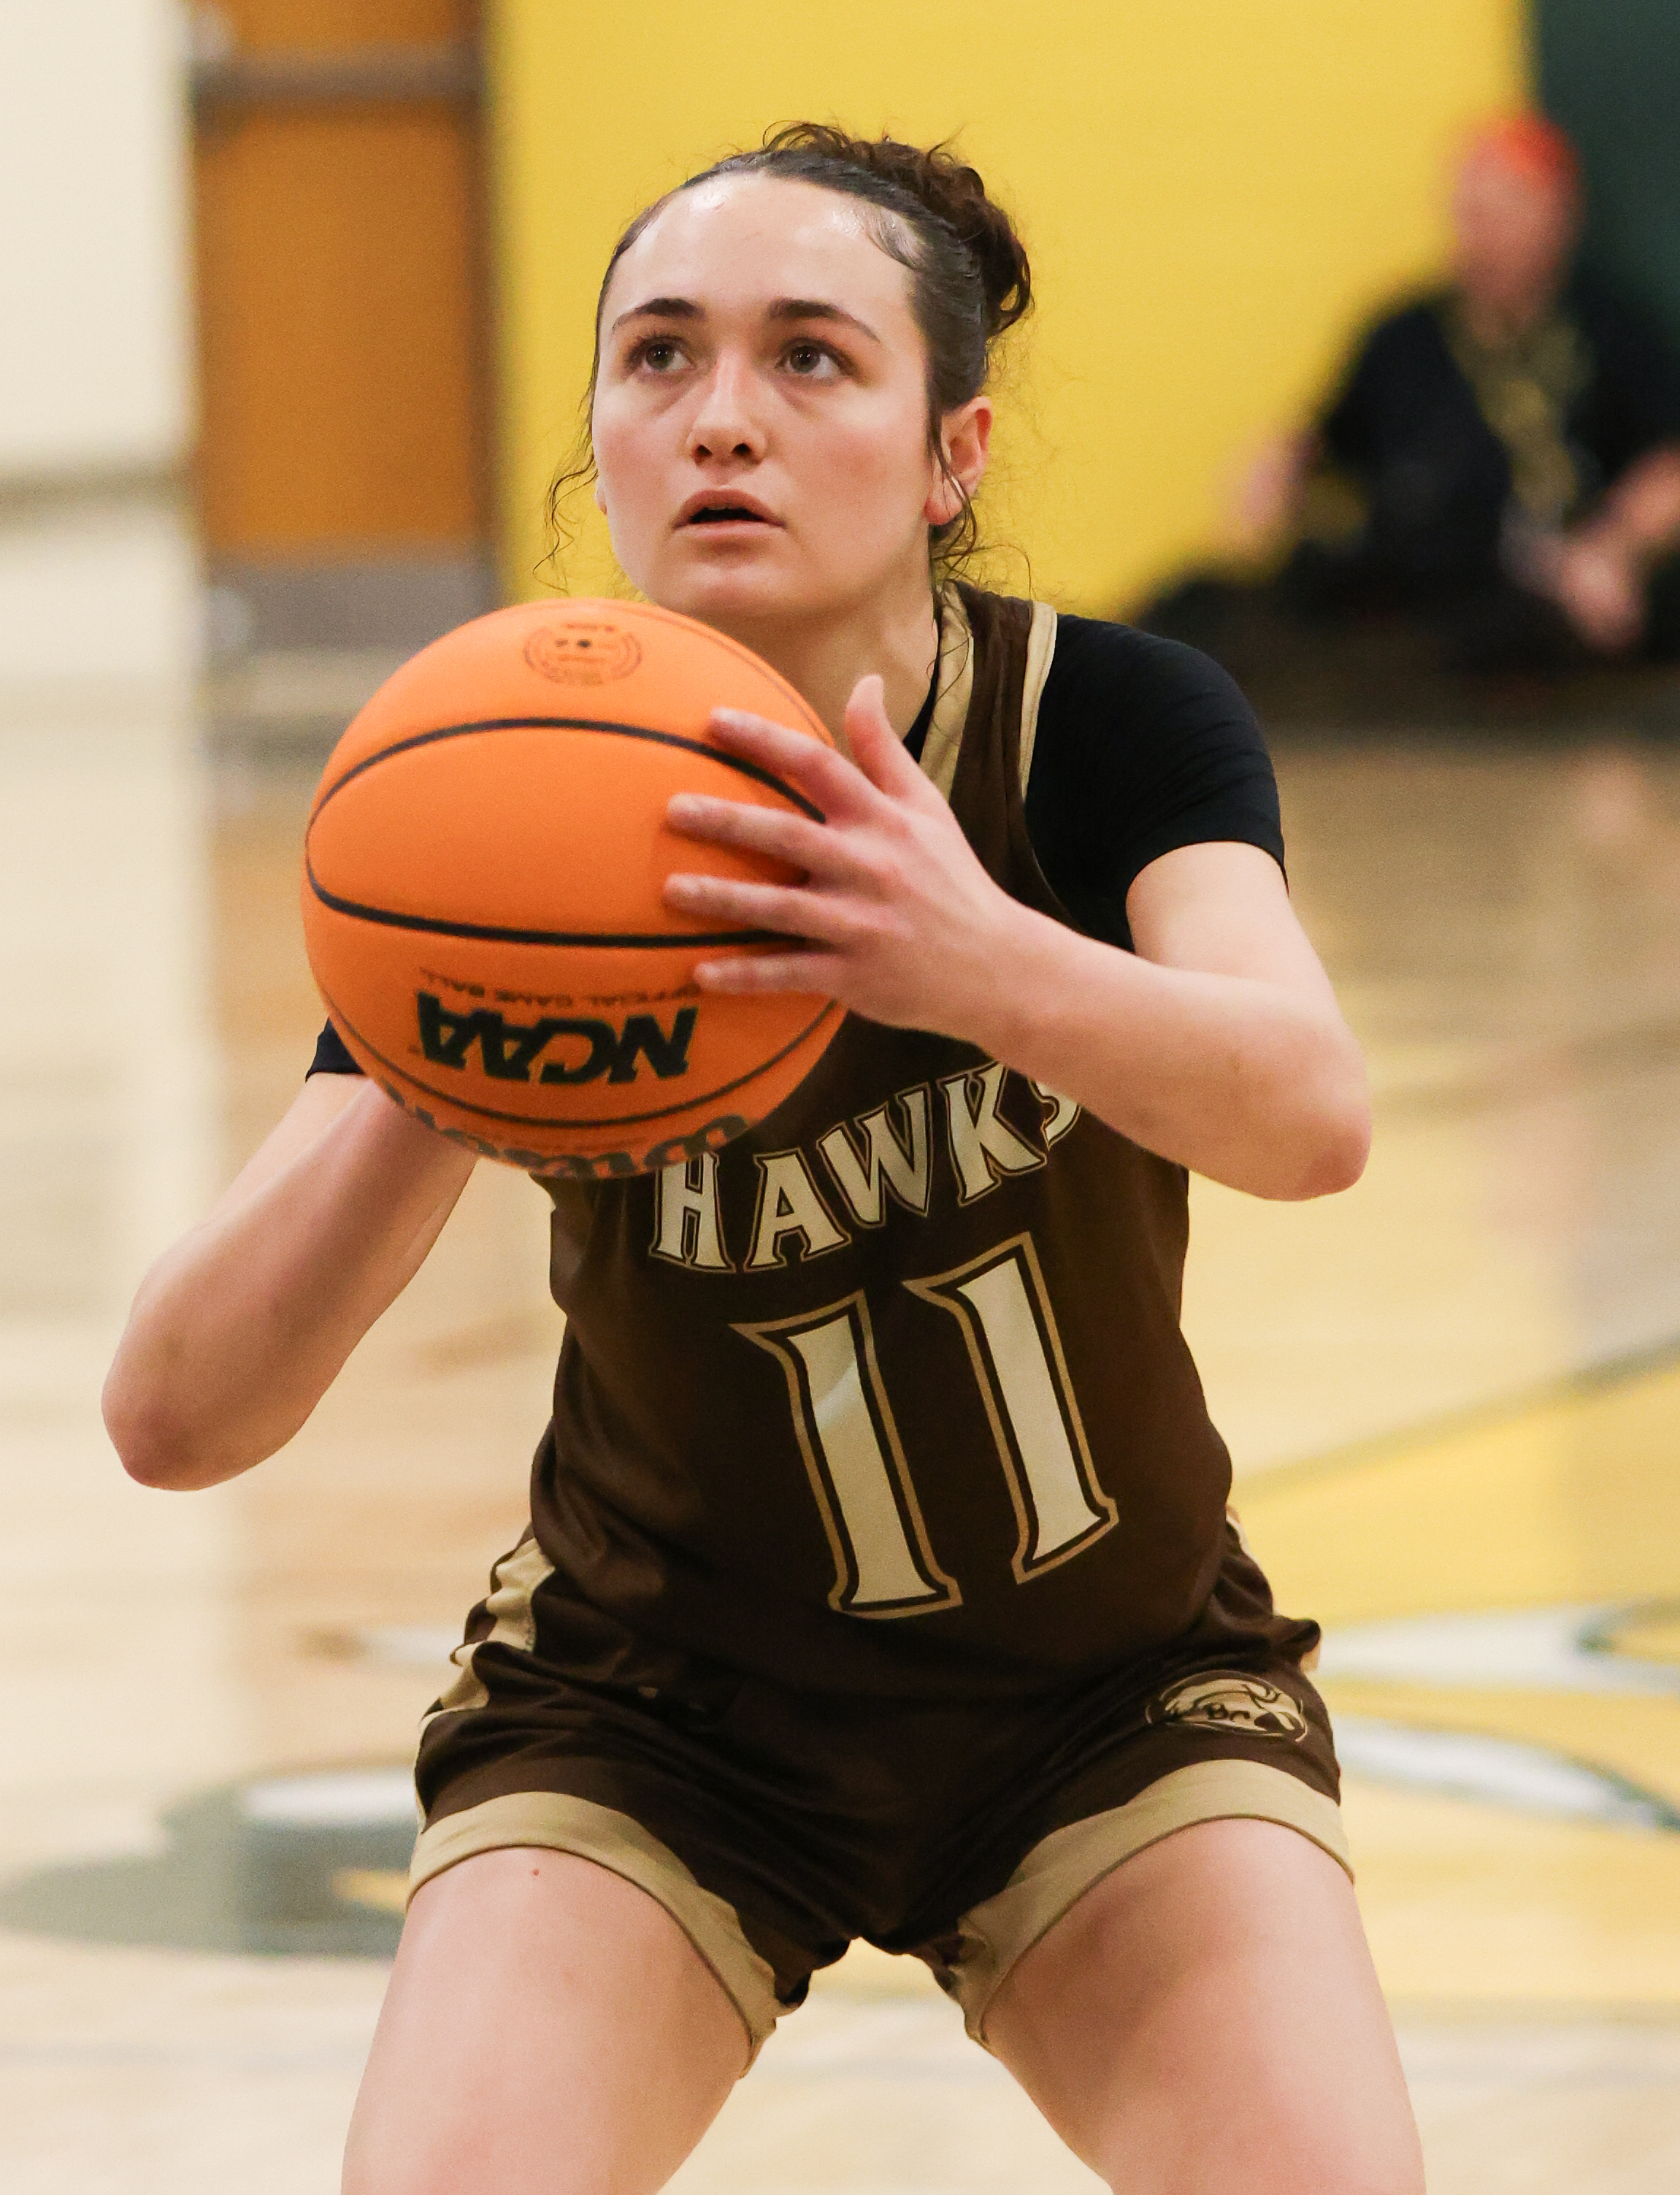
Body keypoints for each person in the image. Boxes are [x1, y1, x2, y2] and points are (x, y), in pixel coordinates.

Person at [103, 126, 1419, 2195]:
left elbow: (1305, 1112)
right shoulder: (503, 802)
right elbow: (175, 1416)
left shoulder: (1102, 727)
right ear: (605, 433)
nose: (721, 416)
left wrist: (969, 956)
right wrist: (450, 1057)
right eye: (658, 358)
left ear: (946, 451)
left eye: (810, 359)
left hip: (1103, 1689)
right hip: (656, 1715)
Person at [1149, 114, 1680, 674]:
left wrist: (1614, 548)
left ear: (1557, 218)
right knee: (1200, 609)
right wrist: (1275, 468)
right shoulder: (1403, 335)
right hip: (1421, 591)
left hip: (1555, 596)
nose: (1482, 234)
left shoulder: (1611, 332)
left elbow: (1668, 465)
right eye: (1471, 213)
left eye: (1504, 213)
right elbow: (1323, 443)